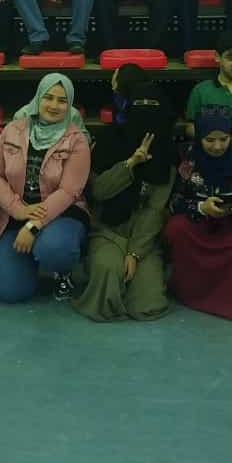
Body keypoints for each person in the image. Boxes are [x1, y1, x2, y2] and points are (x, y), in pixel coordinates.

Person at [73, 84, 176, 322]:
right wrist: (130, 164)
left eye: (152, 108)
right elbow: (99, 191)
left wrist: (135, 253)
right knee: (107, 281)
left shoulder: (166, 154)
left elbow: (154, 210)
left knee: (147, 305)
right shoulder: (108, 142)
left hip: (143, 238)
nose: (145, 116)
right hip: (107, 231)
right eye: (140, 108)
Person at [0, 73, 90, 303]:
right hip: (16, 215)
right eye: (48, 97)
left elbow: (69, 191)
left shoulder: (77, 140)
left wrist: (33, 225)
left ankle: (61, 269)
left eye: (62, 100)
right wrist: (18, 209)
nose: (54, 105)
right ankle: (29, 261)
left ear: (70, 105)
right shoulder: (13, 129)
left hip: (62, 215)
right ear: (38, 97)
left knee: (54, 248)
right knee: (9, 291)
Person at [165, 106, 232, 321]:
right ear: (200, 137)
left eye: (223, 139)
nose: (217, 146)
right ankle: (191, 291)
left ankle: (230, 300)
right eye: (209, 140)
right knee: (176, 228)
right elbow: (174, 202)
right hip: (197, 221)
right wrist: (202, 207)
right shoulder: (189, 158)